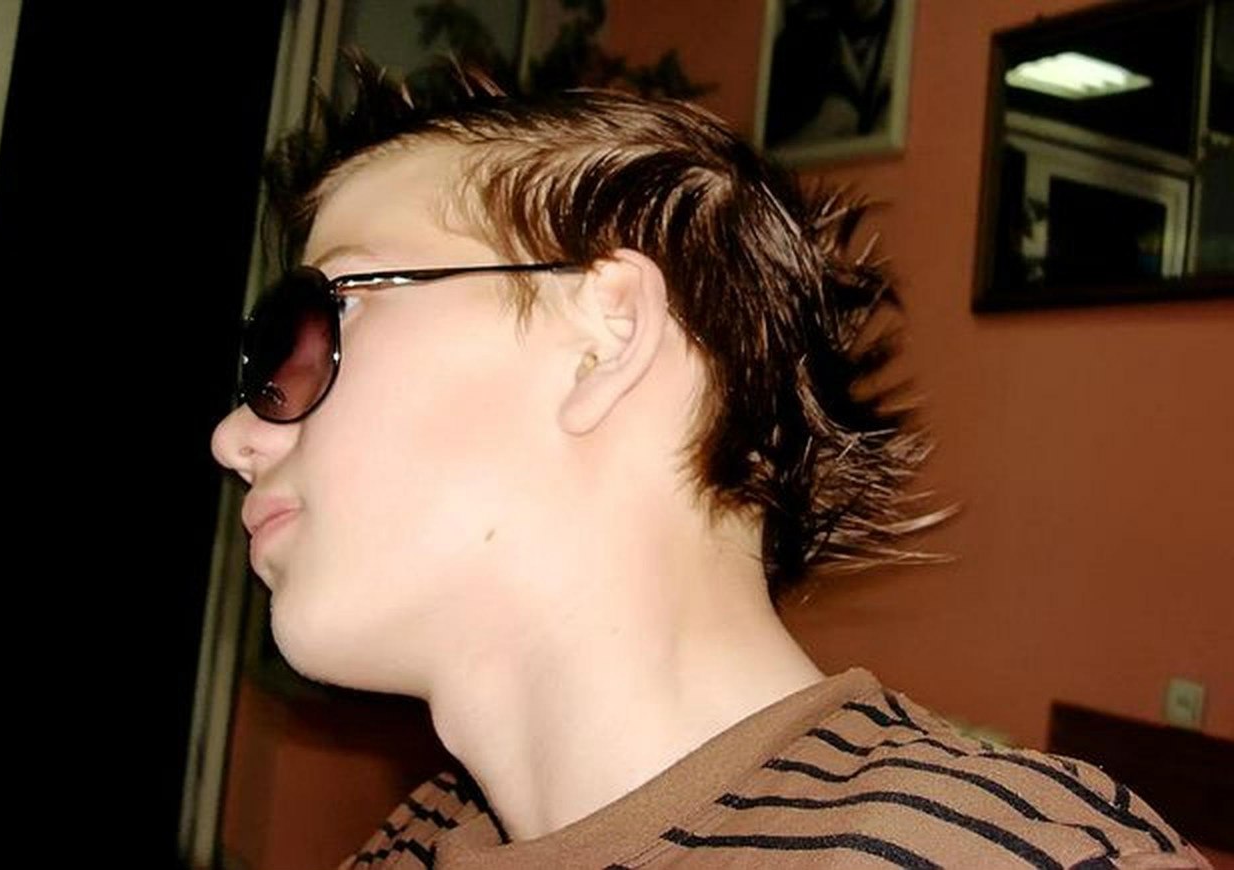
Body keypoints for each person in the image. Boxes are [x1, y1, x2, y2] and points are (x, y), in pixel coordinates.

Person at [210, 57, 1210, 869]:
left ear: (605, 337)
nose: (233, 436)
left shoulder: (1008, 858)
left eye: (311, 325)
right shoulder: (409, 845)